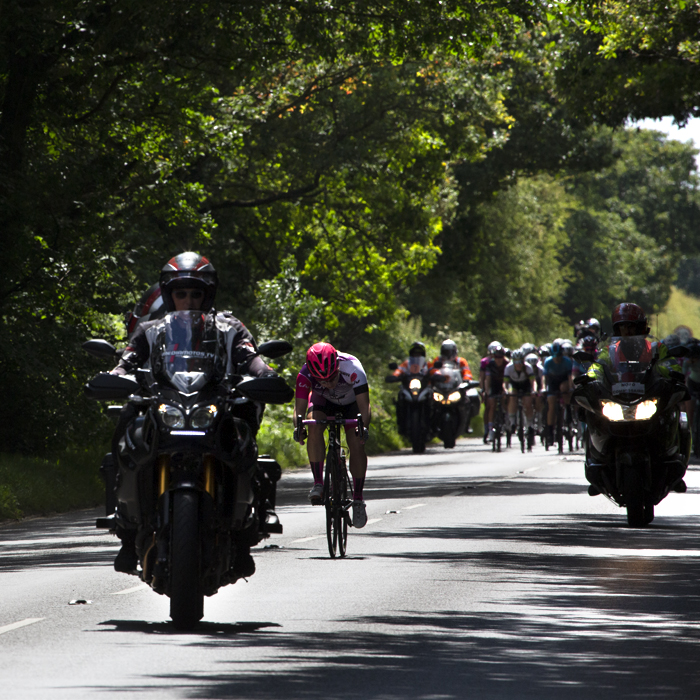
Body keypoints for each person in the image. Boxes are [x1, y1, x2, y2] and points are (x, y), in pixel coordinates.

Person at [110, 252, 277, 574]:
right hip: (166, 403)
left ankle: (245, 533)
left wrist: (266, 375)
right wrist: (116, 375)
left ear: (208, 295)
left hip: (218, 404)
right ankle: (126, 530)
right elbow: (128, 360)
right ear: (170, 295)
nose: (188, 299)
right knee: (128, 426)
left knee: (243, 438)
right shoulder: (151, 329)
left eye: (196, 293)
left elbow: (250, 357)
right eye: (181, 293)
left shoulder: (230, 327)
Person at [293, 342, 371, 528]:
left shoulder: (353, 367)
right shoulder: (304, 375)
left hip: (352, 404)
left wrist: (363, 427)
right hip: (323, 403)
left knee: (356, 441)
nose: (328, 383)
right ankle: (318, 483)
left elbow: (365, 406)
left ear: (337, 366)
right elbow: (299, 409)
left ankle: (358, 499)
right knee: (313, 425)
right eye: (322, 381)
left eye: (332, 377)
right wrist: (299, 427)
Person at [391, 341, 430, 435]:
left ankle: (433, 423)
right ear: (411, 354)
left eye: (419, 353)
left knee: (434, 398)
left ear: (423, 354)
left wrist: (438, 376)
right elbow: (398, 371)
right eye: (415, 353)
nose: (417, 355)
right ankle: (401, 424)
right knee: (400, 397)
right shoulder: (406, 363)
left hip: (423, 388)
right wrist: (395, 376)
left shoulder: (427, 364)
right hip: (409, 388)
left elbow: (435, 371)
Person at [542, 339, 574, 446]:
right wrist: (543, 388)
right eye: (555, 356)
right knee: (551, 404)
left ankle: (568, 409)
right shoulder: (548, 362)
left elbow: (570, 378)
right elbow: (544, 379)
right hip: (552, 382)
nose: (557, 359)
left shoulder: (567, 361)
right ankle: (550, 432)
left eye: (559, 356)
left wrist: (571, 388)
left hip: (563, 381)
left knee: (564, 388)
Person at [504, 349, 536, 441]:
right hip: (514, 385)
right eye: (516, 361)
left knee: (528, 403)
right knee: (512, 396)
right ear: (513, 361)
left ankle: (530, 425)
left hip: (525, 385)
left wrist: (534, 390)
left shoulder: (528, 367)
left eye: (520, 361)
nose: (518, 364)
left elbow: (533, 382)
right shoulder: (508, 367)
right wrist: (505, 390)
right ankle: (513, 423)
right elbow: (505, 383)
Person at [484, 343, 508, 441]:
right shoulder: (490, 365)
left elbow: (508, 380)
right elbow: (487, 379)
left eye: (501, 357)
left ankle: (506, 421)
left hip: (504, 384)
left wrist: (506, 391)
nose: (499, 359)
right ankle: (490, 430)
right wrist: (487, 391)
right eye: (496, 357)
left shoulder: (507, 364)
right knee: (492, 405)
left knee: (504, 402)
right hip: (493, 385)